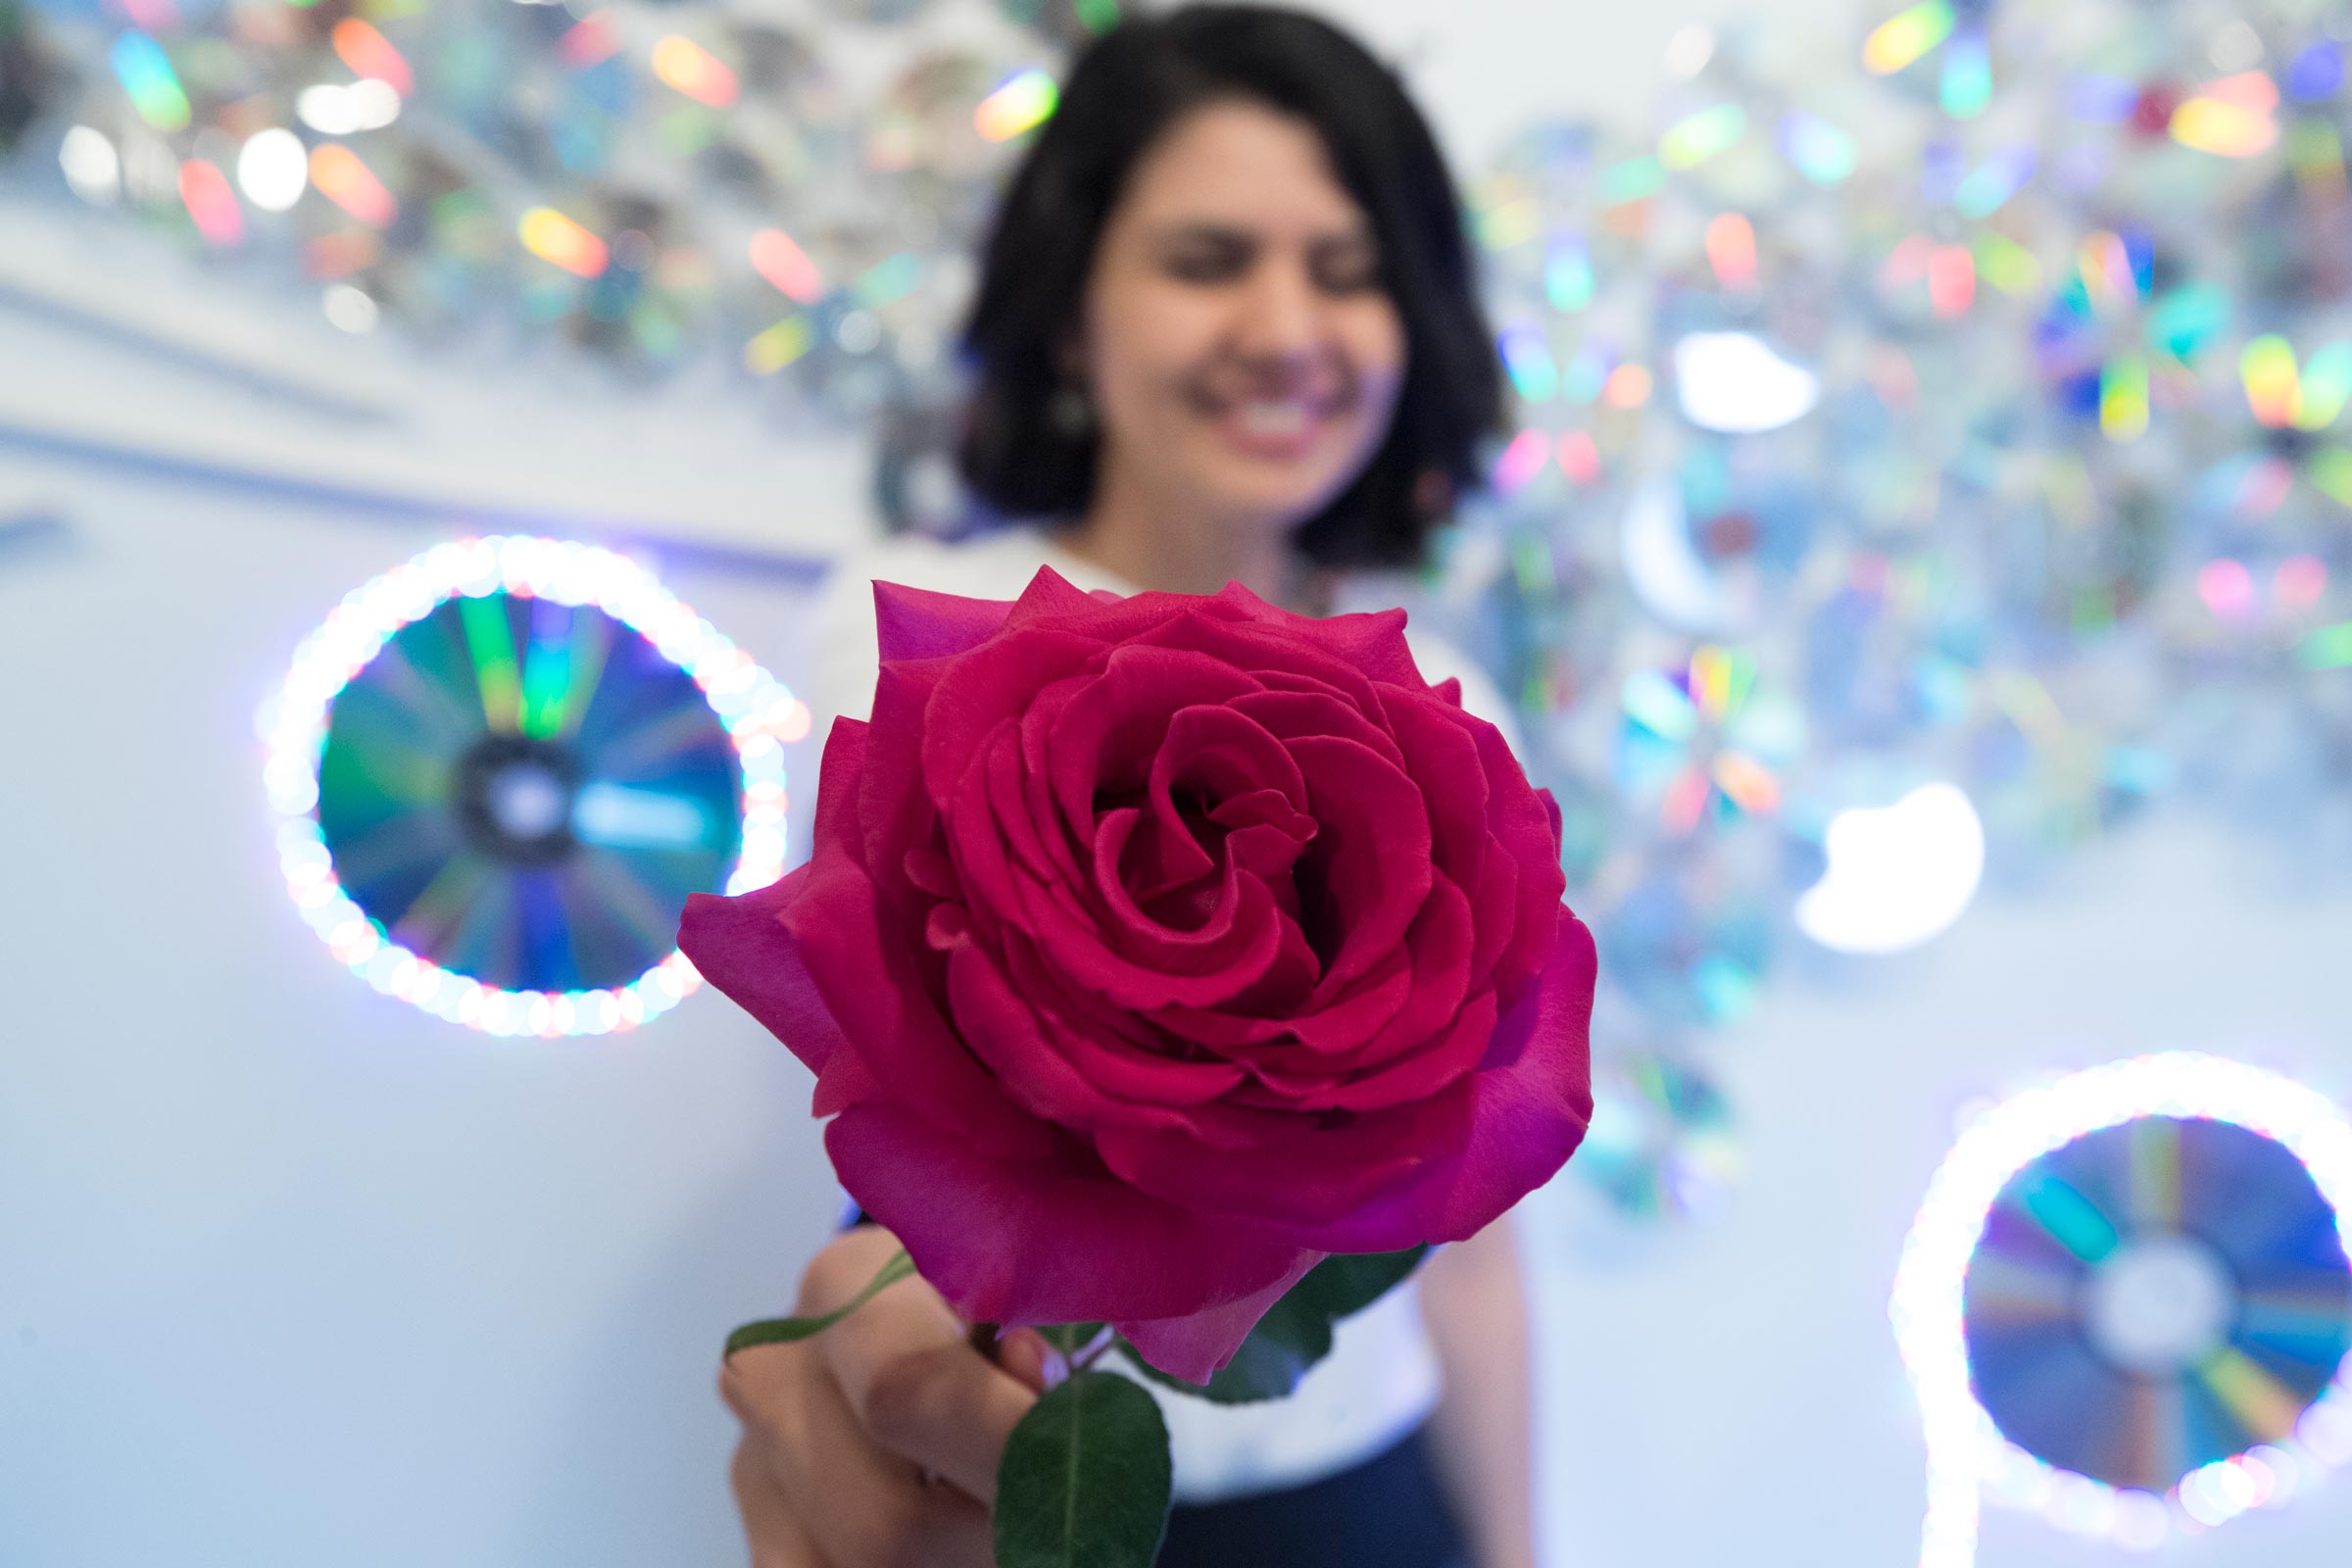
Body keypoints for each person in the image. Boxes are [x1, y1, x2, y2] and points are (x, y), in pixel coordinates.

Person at [727, 8, 1537, 1566]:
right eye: (1207, 258)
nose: (1288, 326)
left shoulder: (1451, 705)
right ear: (1071, 313)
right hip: (1019, 1473)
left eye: (1350, 270)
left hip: (1372, 1499)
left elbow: (1478, 1255)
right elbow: (933, 1103)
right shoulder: (910, 633)